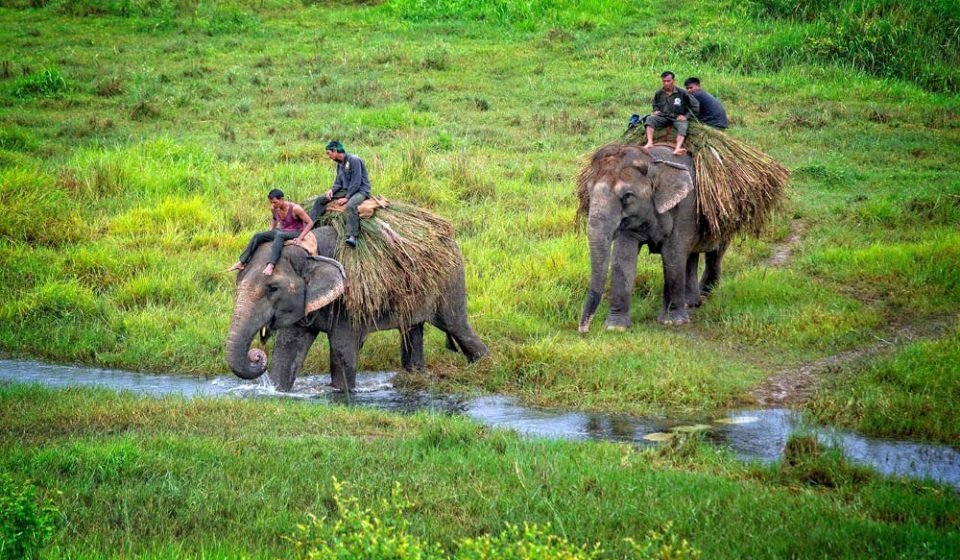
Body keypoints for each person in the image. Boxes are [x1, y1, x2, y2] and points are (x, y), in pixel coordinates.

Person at [228, 189, 314, 276]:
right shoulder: (274, 208)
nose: (273, 205)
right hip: (282, 230)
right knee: (258, 235)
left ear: (282, 199)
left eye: (274, 202)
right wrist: (270, 230)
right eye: (271, 202)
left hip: (295, 231)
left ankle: (271, 265)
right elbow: (274, 218)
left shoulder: (295, 209)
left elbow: (310, 223)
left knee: (280, 236)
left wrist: (300, 238)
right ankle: (242, 262)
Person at [310, 140, 371, 248]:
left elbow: (356, 182)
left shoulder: (354, 160)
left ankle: (352, 236)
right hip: (346, 189)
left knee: (351, 205)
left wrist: (347, 198)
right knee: (320, 200)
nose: (328, 156)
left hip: (360, 190)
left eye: (329, 153)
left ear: (335, 151)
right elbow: (338, 182)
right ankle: (310, 224)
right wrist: (332, 190)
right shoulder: (339, 164)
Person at [642, 71, 700, 156]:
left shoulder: (682, 93)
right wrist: (656, 110)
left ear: (674, 80)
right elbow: (655, 103)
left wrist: (686, 116)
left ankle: (677, 148)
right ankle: (650, 142)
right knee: (650, 119)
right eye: (664, 81)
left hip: (677, 118)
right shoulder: (659, 93)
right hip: (664, 116)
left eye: (668, 81)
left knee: (683, 126)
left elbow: (695, 105)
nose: (666, 83)